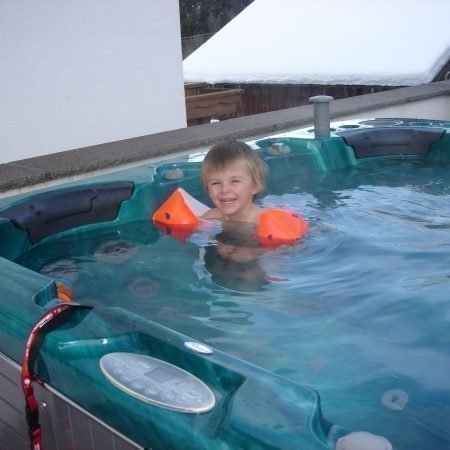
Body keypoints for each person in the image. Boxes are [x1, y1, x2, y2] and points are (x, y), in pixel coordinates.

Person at [200, 140, 268, 225]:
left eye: (234, 181)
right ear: (208, 189)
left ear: (255, 186)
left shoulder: (265, 222)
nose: (224, 189)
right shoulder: (210, 218)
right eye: (216, 183)